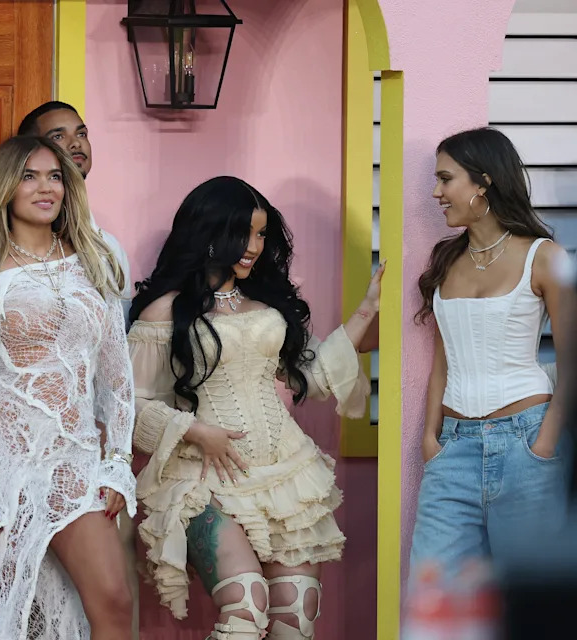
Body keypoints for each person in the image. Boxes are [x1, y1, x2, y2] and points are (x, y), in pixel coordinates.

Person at [128, 176, 382, 639]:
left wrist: (366, 310)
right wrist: (194, 431)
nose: (255, 246)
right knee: (246, 606)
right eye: (244, 233)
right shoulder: (163, 312)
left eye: (262, 234)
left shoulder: (266, 306)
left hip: (285, 473)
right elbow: (130, 406)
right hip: (205, 479)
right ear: (208, 231)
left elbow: (315, 375)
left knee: (296, 615)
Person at [0, 135, 136, 640]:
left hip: (75, 457)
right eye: (29, 176)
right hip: (5, 456)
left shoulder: (93, 261)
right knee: (9, 612)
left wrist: (117, 463)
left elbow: (118, 380)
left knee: (114, 603)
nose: (45, 187)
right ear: (6, 187)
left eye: (54, 176)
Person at [410, 127, 570, 575]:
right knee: (434, 598)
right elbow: (443, 359)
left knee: (530, 604)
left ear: (483, 183)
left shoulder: (545, 256)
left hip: (528, 445)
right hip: (452, 451)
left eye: (446, 179)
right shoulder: (444, 261)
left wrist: (545, 443)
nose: (436, 192)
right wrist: (430, 438)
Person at [17, 101, 132, 319]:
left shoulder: (108, 246)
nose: (75, 144)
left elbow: (119, 327)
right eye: (58, 136)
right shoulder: (11, 249)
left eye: (82, 134)